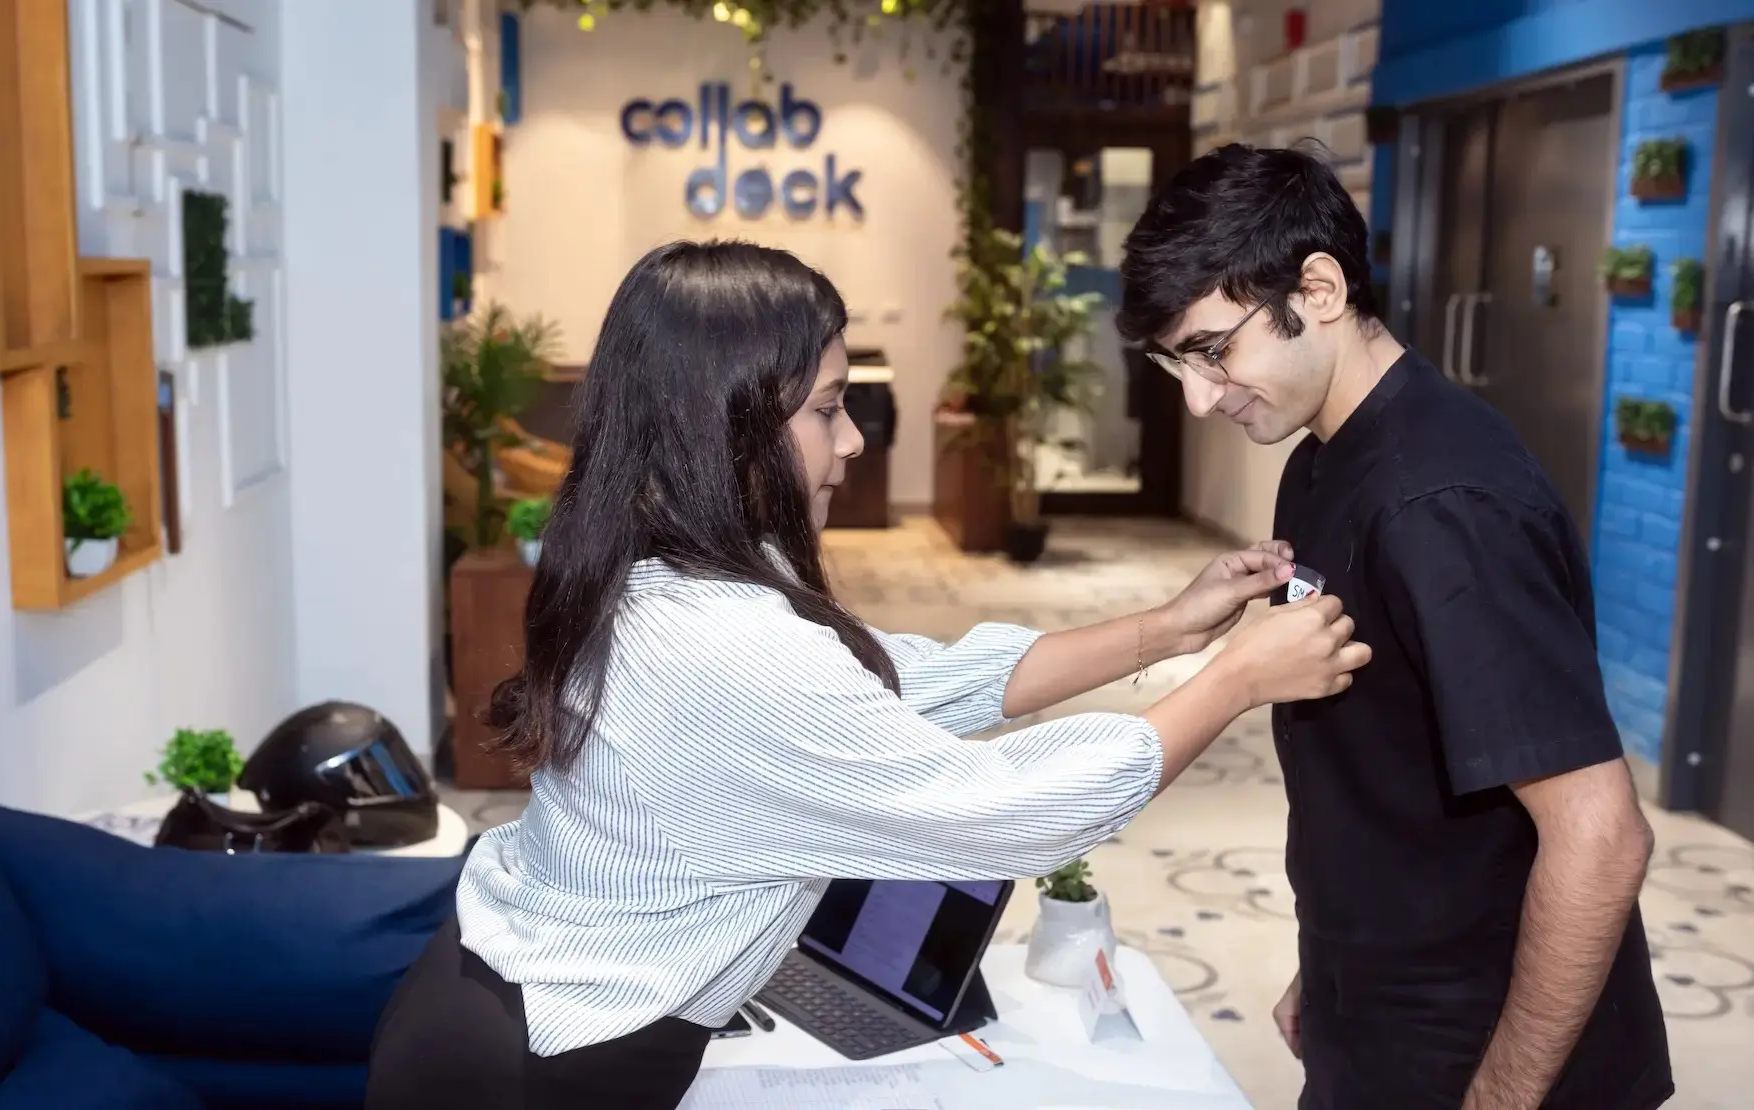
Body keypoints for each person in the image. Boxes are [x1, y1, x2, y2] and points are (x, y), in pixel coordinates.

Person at [365, 239, 1369, 1110]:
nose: (851, 441)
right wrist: (1236, 679)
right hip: (532, 1064)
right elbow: (1009, 811)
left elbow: (902, 680)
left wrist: (1165, 630)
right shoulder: (718, 644)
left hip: (492, 994)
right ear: (726, 425)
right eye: (829, 410)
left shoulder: (670, 563)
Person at [1116, 142, 1672, 1110]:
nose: (1199, 398)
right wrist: (1332, 968)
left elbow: (1601, 836)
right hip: (1380, 1004)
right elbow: (1380, 755)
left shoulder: (1442, 504)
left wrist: (1498, 1098)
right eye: (1177, 364)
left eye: (1213, 351)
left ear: (1318, 290)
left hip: (1488, 1046)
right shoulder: (1323, 457)